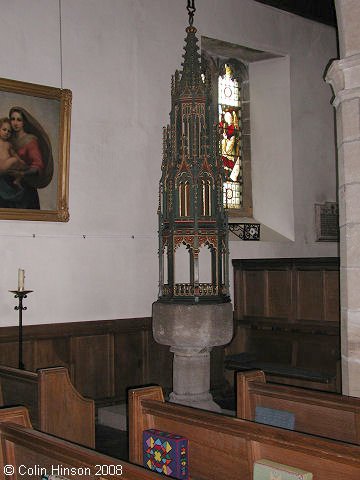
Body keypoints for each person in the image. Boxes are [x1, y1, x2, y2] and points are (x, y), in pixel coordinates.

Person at [0, 106, 54, 209]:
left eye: (19, 120)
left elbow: (37, 166)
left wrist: (22, 173)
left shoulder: (30, 141)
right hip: (5, 188)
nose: (15, 123)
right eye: (13, 119)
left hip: (24, 189)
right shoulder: (8, 138)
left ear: (24, 122)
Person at [0, 117, 27, 186]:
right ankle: (17, 179)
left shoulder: (9, 144)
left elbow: (13, 153)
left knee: (18, 166)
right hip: (2, 166)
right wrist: (20, 161)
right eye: (4, 130)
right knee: (15, 160)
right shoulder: (7, 144)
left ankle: (17, 180)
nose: (6, 132)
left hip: (5, 167)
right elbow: (15, 155)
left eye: (9, 131)